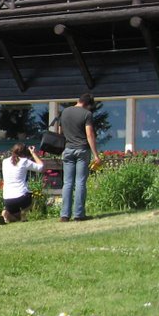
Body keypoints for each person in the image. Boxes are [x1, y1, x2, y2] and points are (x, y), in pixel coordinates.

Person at [58, 92, 100, 222]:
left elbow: (60, 131)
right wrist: (96, 155)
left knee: (67, 183)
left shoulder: (64, 112)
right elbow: (90, 135)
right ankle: (79, 215)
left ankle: (64, 215)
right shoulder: (87, 114)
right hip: (82, 150)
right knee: (80, 182)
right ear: (87, 104)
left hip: (68, 149)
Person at [0, 142, 44, 224]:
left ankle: (6, 213)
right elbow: (41, 167)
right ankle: (23, 213)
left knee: (16, 217)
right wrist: (33, 153)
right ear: (24, 152)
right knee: (35, 196)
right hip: (22, 198)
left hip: (7, 200)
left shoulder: (4, 161)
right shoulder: (24, 161)